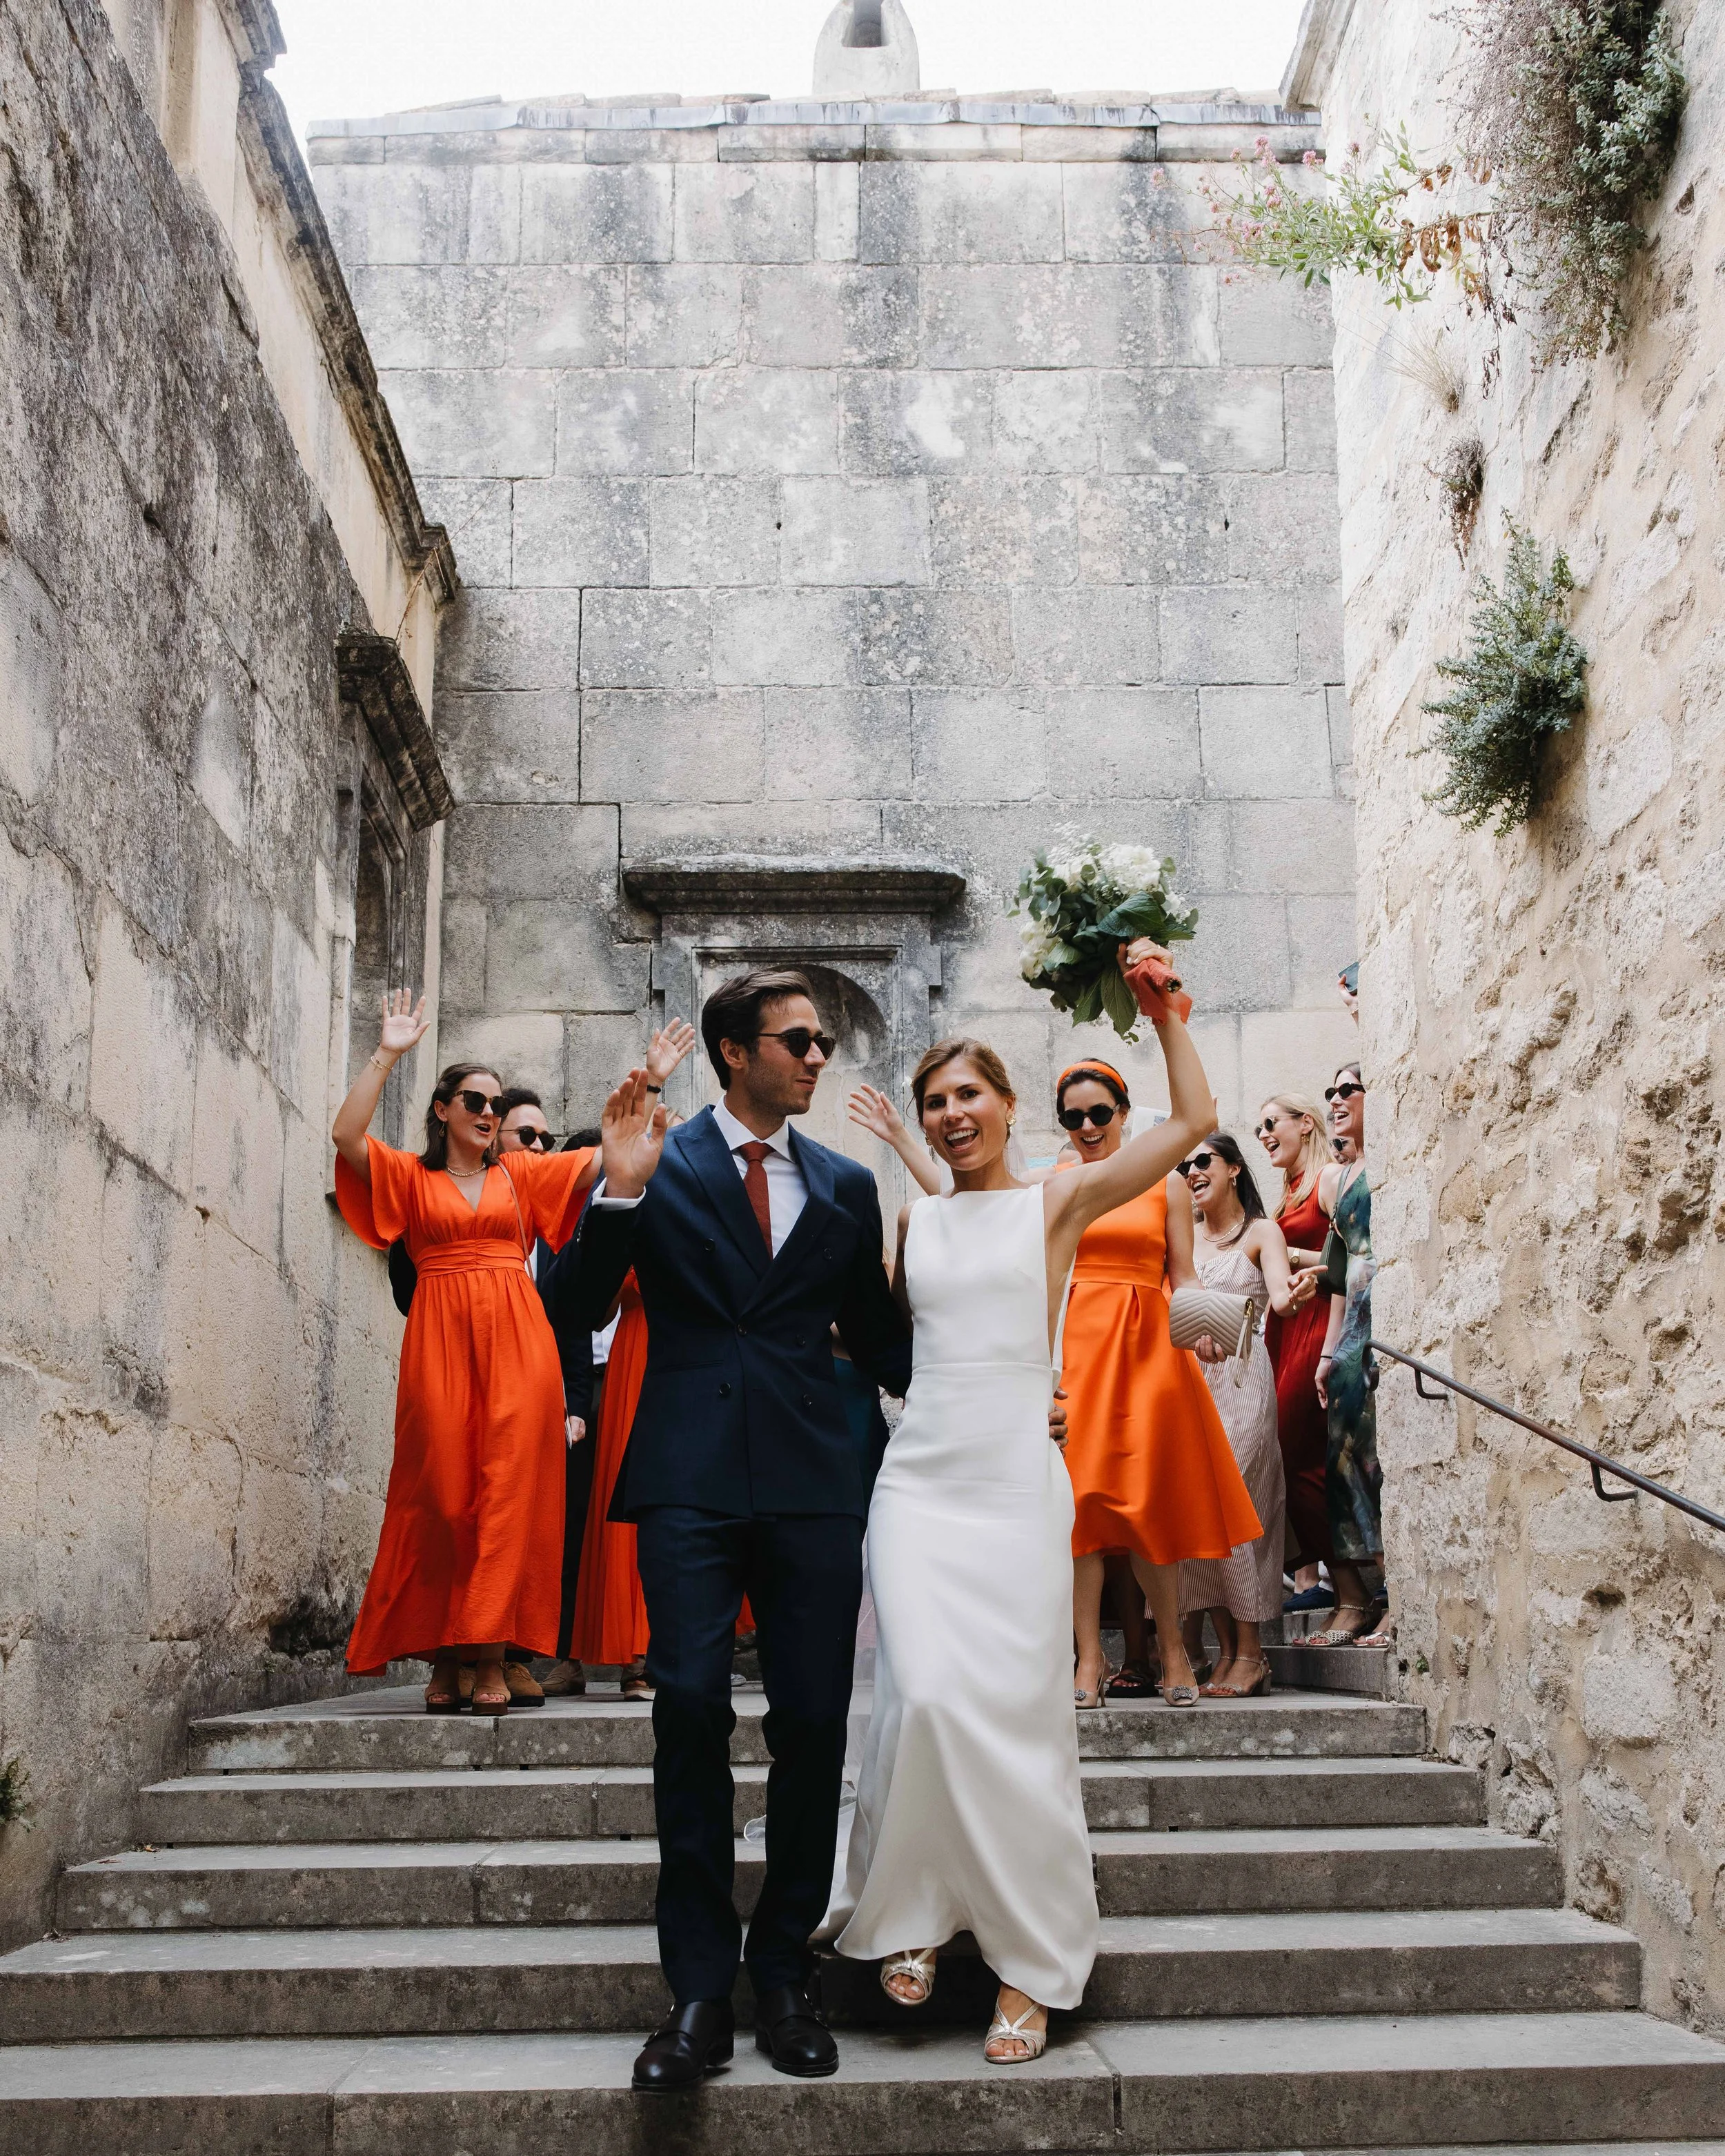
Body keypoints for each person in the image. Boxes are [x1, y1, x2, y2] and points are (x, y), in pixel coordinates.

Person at [831, 942, 1215, 2066]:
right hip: (917, 1485)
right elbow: (903, 1353)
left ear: (1005, 1107)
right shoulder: (918, 1223)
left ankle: (1030, 1964)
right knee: (929, 1699)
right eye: (933, 1102)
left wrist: (1163, 1015)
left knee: (1020, 1723)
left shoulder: (1056, 1205)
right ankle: (912, 1910)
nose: (952, 1114)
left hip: (1013, 1484)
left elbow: (1188, 1125)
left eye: (969, 1097)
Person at [543, 970, 915, 2093]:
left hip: (813, 1480)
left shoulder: (848, 1187)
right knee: (693, 1706)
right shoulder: (661, 1161)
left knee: (811, 1722)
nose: (817, 1056)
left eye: (823, 1040)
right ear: (731, 1051)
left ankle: (784, 1975)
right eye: (797, 1040)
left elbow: (890, 1350)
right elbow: (574, 1303)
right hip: (690, 1479)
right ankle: (698, 1990)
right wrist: (615, 1194)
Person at [331, 998, 597, 1713]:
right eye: (474, 1100)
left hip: (518, 1344)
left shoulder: (519, 1176)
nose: (488, 1110)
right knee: (442, 1497)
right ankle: (445, 1653)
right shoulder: (410, 1179)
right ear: (444, 1110)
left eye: (495, 1101)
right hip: (440, 1341)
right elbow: (345, 1133)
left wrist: (651, 1098)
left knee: (507, 1496)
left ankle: (487, 1655)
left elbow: (601, 1163)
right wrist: (389, 1053)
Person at [1045, 1061, 1263, 1712]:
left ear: (1123, 1112)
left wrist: (1205, 1321)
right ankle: (1089, 1657)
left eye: (1099, 1113)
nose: (1087, 1127)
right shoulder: (1056, 1182)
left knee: (1145, 1507)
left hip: (1146, 1349)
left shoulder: (1167, 1184)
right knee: (1079, 1506)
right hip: (1077, 1348)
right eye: (1073, 1117)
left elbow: (1185, 1272)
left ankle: (1172, 1647)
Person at [1172, 1134, 1305, 1697]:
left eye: (1203, 1160)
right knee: (1200, 1516)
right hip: (1192, 1389)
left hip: (1244, 1384)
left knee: (1238, 1511)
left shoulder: (1261, 1231)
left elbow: (1278, 1294)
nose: (1193, 1171)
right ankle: (1228, 1650)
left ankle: (1252, 1652)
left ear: (1231, 1169)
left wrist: (1289, 1297)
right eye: (1185, 1165)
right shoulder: (1182, 1238)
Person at [1254, 1094, 1341, 1606]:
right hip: (1286, 1326)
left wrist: (1287, 1254)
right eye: (1259, 1127)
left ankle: (1350, 1573)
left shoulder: (1328, 1178)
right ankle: (1315, 1576)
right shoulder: (1284, 1193)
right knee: (1285, 1450)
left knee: (1297, 1444)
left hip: (1320, 1318)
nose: (1264, 1134)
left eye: (1272, 1123)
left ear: (1305, 1123)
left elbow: (1353, 1249)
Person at [1314, 1062, 1384, 1643]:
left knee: (1379, 1465)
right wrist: (1328, 1352)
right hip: (1352, 1334)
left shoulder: (1386, 1162)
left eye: (1347, 1089)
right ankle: (1360, 1597)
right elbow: (1337, 1277)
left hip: (1386, 1322)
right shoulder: (1338, 1179)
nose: (1335, 1099)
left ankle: (1394, 1599)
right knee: (1346, 1462)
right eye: (1330, 1092)